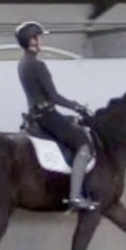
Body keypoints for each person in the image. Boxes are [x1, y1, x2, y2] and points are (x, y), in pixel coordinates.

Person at [15, 21, 98, 211]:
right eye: (40, 37)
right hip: (47, 116)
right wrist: (78, 107)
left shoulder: (23, 64)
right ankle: (75, 196)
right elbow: (54, 96)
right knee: (83, 144)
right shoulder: (37, 65)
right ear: (32, 41)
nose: (42, 40)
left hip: (35, 115)